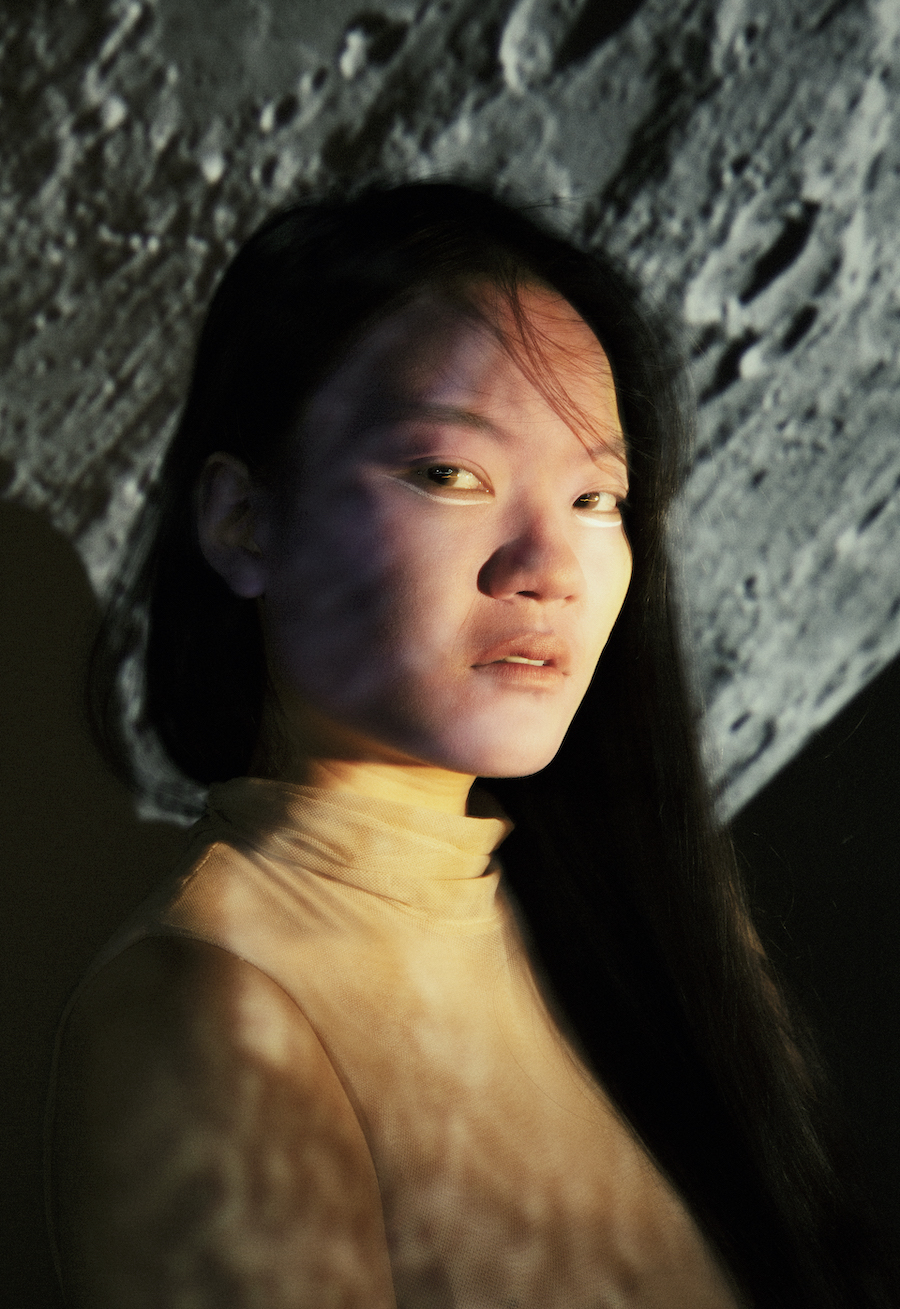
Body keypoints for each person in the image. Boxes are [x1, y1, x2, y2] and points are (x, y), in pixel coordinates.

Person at [46, 182, 895, 1308]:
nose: (549, 567)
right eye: (450, 474)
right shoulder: (206, 1011)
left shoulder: (612, 921)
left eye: (598, 498)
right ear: (243, 521)